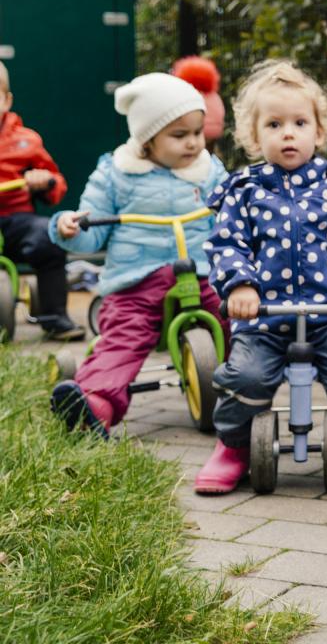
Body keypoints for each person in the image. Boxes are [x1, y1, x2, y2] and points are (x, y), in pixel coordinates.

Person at [194, 59, 327, 494]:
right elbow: (227, 244)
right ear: (253, 135)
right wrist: (241, 286)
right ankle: (233, 447)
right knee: (244, 378)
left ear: (318, 132)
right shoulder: (242, 194)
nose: (288, 133)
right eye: (274, 124)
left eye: (299, 122)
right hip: (263, 321)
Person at [49, 72, 228, 436]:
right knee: (122, 339)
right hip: (136, 281)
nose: (193, 143)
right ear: (147, 139)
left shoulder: (209, 171)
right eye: (179, 135)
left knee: (238, 319)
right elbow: (92, 227)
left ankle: (251, 392)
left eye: (197, 132)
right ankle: (93, 405)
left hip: (204, 273)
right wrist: (68, 226)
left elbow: (234, 217)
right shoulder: (117, 172)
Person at [0, 61, 85, 341]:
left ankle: (54, 316)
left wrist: (43, 180)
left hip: (16, 219)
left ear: (7, 99)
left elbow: (56, 184)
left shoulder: (27, 141)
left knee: (48, 237)